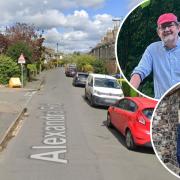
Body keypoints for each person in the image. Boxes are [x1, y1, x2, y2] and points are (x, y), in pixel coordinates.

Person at [130, 13, 180, 99]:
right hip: (162, 106)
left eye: (170, 25)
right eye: (163, 27)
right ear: (158, 32)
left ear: (178, 28)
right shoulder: (152, 49)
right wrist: (131, 90)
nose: (166, 29)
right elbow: (140, 72)